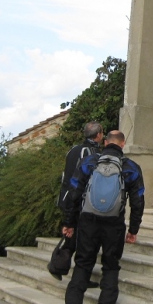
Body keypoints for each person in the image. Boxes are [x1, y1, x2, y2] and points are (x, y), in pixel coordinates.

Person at [61, 131, 145, 304]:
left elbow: (74, 193)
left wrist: (69, 222)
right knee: (111, 266)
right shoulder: (131, 167)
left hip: (88, 221)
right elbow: (138, 201)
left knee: (82, 264)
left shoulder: (89, 162)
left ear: (106, 142)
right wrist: (133, 229)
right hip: (114, 224)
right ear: (122, 144)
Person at [49, 121, 104, 284]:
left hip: (67, 197)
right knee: (84, 241)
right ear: (98, 135)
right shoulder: (91, 152)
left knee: (72, 237)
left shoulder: (73, 149)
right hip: (80, 201)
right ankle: (76, 275)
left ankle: (58, 266)